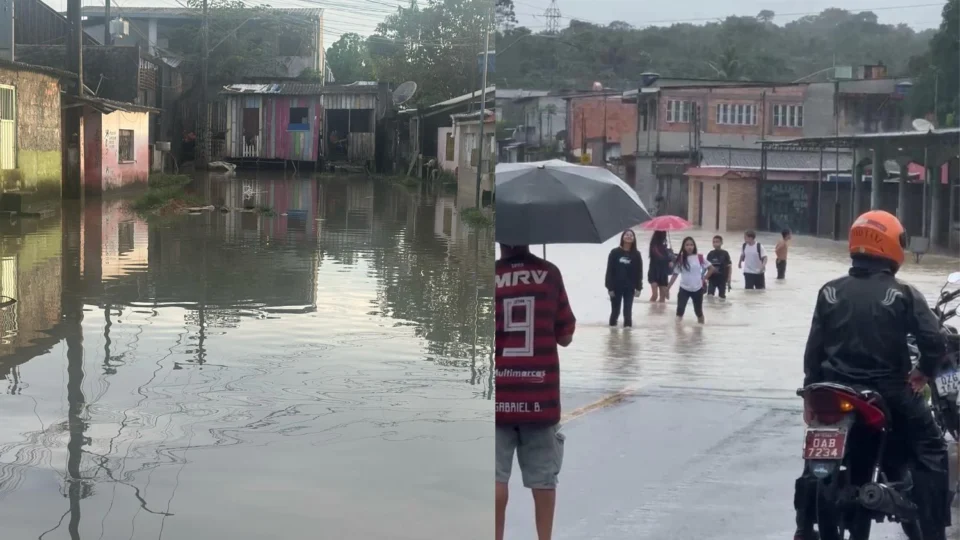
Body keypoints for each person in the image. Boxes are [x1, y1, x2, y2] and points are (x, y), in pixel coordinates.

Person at [794, 210, 949, 540]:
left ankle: (803, 526)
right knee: (933, 449)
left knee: (814, 455)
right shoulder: (902, 294)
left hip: (831, 391)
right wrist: (924, 371)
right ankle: (934, 531)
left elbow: (813, 351)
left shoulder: (829, 292)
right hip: (888, 392)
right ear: (891, 245)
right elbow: (933, 341)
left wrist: (810, 392)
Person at [495, 244, 577, 540]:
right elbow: (565, 336)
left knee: (493, 478)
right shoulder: (550, 274)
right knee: (543, 480)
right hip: (540, 397)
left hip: (498, 396)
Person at [667, 236, 714, 323]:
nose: (689, 247)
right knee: (679, 312)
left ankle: (700, 331)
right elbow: (675, 274)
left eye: (691, 245)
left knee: (699, 312)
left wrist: (704, 279)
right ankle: (678, 333)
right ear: (683, 247)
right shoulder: (680, 259)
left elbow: (711, 268)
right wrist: (668, 288)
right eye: (687, 245)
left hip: (698, 289)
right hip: (684, 289)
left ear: (694, 246)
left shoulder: (700, 257)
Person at [605, 229, 643, 327]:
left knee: (628, 312)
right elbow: (609, 271)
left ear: (634, 239)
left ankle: (627, 336)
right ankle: (612, 335)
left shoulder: (636, 254)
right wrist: (610, 288)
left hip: (629, 288)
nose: (629, 236)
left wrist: (639, 287)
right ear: (622, 237)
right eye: (627, 234)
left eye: (631, 235)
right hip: (616, 287)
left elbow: (639, 272)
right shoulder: (614, 252)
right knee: (615, 312)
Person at [647, 230, 673, 303]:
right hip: (654, 272)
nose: (664, 236)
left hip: (663, 272)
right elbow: (659, 256)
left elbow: (665, 257)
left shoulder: (664, 246)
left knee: (662, 298)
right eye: (663, 234)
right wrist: (668, 258)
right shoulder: (653, 246)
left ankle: (659, 313)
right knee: (655, 295)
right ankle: (651, 312)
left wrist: (670, 256)